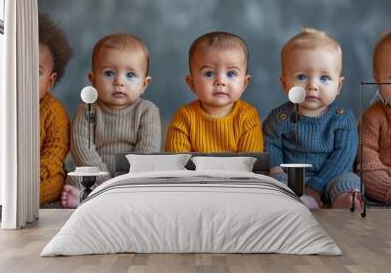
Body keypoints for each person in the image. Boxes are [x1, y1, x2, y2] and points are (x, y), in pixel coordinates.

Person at [263, 28, 362, 209]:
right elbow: (271, 147)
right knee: (276, 182)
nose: (312, 85)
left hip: (333, 175)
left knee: (350, 180)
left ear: (338, 86)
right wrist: (276, 170)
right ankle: (298, 199)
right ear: (284, 83)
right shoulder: (279, 118)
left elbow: (343, 157)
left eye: (324, 78)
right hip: (294, 176)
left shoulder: (342, 118)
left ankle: (344, 200)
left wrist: (316, 187)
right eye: (302, 77)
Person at [61, 33, 161, 208]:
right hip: (96, 172)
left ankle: (98, 199)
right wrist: (103, 177)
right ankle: (85, 198)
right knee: (78, 178)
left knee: (152, 180)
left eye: (130, 75)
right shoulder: (87, 109)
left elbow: (148, 149)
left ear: (144, 84)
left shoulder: (147, 110)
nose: (119, 82)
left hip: (132, 175)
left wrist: (127, 178)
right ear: (93, 80)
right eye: (109, 73)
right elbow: (82, 147)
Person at [166, 31, 263, 153]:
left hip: (238, 173)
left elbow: (251, 162)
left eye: (231, 73)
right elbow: (177, 163)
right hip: (194, 173)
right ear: (192, 83)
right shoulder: (184, 117)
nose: (220, 81)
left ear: (244, 83)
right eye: (209, 73)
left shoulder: (247, 117)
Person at [38, 13, 71, 205]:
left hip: (46, 172)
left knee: (56, 183)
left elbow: (54, 154)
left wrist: (34, 173)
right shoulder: (2, 105)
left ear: (50, 81)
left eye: (36, 72)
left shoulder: (54, 112)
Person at [358, 32, 391, 203]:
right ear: (377, 79)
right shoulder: (373, 117)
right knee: (366, 174)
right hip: (382, 173)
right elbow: (367, 159)